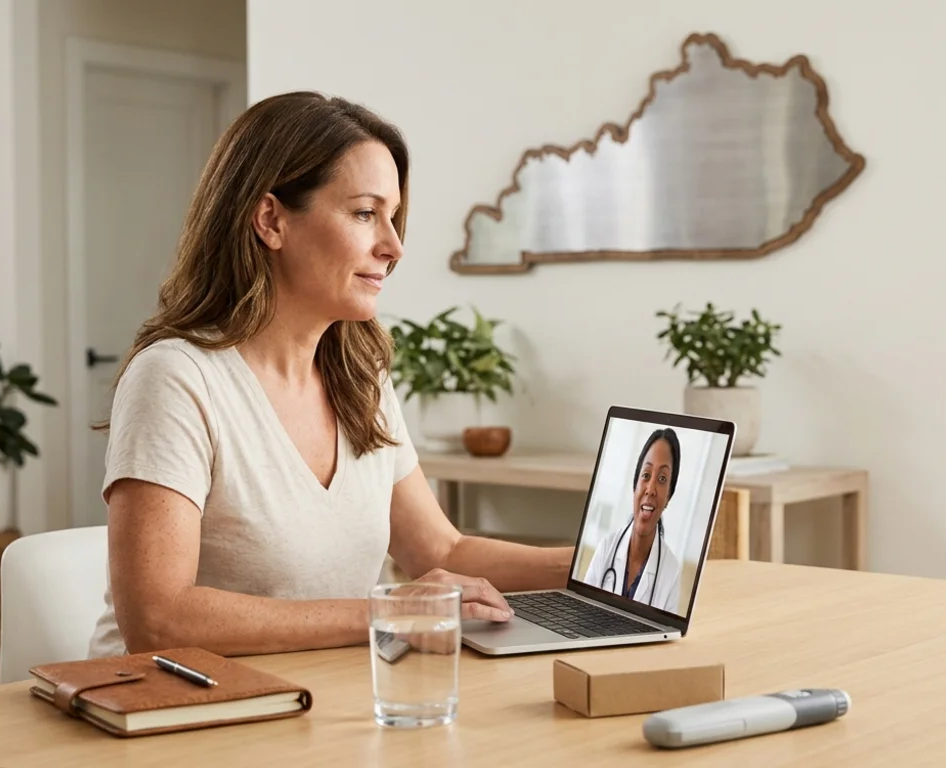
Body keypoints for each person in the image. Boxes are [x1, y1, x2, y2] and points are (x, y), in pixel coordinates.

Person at [86, 91, 572, 659]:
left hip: (322, 697)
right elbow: (158, 620)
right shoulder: (176, 378)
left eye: (392, 217)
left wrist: (599, 565)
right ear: (271, 220)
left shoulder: (359, 378)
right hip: (172, 704)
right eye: (365, 214)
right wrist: (390, 612)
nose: (393, 246)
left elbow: (440, 551)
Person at [582, 428, 683, 613]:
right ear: (635, 485)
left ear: (669, 497)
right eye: (646, 475)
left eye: (662, 479)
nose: (650, 489)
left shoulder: (671, 570)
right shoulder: (607, 547)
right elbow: (582, 614)